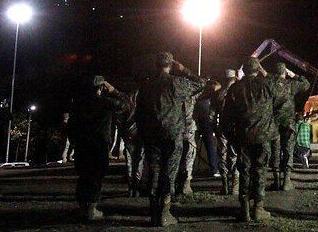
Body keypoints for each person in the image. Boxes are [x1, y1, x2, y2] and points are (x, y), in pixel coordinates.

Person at [136, 52, 211, 226]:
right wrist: (184, 70)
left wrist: (143, 133)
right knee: (169, 171)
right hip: (172, 134)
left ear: (156, 65)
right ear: (170, 64)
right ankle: (164, 212)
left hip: (151, 135)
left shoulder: (146, 85)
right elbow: (201, 83)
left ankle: (154, 213)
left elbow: (139, 112)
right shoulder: (177, 83)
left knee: (154, 170)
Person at [222, 56, 280, 222]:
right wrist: (265, 72)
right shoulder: (267, 84)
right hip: (263, 137)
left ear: (244, 70)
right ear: (257, 69)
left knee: (245, 171)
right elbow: (280, 89)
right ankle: (258, 208)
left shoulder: (235, 89)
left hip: (243, 137)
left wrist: (231, 137)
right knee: (260, 171)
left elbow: (226, 117)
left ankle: (245, 209)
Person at [68, 75, 130, 221]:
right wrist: (113, 90)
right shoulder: (105, 102)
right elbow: (127, 104)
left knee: (84, 176)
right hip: (99, 144)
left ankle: (83, 207)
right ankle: (91, 209)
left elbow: (71, 126)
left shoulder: (78, 104)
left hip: (82, 145)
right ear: (102, 87)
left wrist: (74, 142)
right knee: (96, 177)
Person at [268, 61, 310, 191]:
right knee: (288, 149)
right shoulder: (291, 84)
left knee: (275, 150)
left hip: (273, 122)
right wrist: (294, 75)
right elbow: (306, 84)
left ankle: (276, 180)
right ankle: (287, 181)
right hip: (289, 123)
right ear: (285, 72)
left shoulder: (269, 84)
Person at [213, 68, 240, 195]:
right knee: (234, 156)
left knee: (222, 155)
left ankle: (224, 185)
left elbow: (212, 114)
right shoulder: (239, 92)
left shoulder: (220, 94)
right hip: (235, 129)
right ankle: (234, 186)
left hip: (222, 129)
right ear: (235, 78)